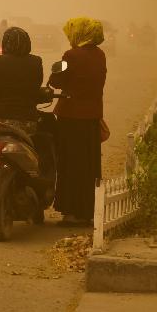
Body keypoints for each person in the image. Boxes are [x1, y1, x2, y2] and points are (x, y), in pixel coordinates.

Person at [49, 18, 107, 227]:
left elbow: (55, 80)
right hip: (92, 117)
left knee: (70, 163)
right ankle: (87, 210)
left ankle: (71, 212)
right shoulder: (100, 55)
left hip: (71, 117)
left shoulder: (70, 56)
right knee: (89, 164)